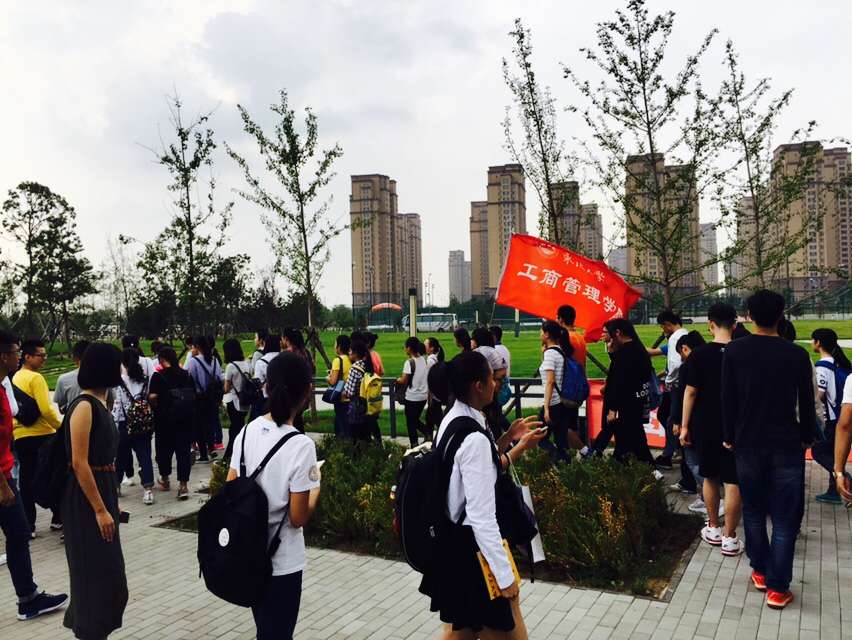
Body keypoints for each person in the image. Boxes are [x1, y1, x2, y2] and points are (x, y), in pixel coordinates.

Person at [419, 350, 546, 639]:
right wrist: (504, 576)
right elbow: (481, 516)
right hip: (474, 553)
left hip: (455, 546)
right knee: (504, 628)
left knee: (461, 631)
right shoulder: (473, 436)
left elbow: (477, 469)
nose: (497, 385)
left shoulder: (454, 418)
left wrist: (509, 439)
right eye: (493, 379)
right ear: (478, 385)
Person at [721, 290, 816, 610]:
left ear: (748, 315)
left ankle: (761, 570)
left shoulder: (734, 351)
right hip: (787, 443)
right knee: (785, 517)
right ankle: (777, 587)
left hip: (747, 442)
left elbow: (728, 398)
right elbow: (806, 401)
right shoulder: (796, 354)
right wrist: (807, 436)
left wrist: (729, 435)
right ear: (781, 314)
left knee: (753, 509)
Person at [227, 352, 321, 640]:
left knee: (266, 631)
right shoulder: (301, 445)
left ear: (266, 386)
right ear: (307, 392)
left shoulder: (247, 432)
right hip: (282, 563)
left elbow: (230, 489)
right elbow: (298, 517)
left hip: (248, 554)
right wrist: (315, 490)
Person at [0, 330, 68, 621]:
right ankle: (28, 599)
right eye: (16, 351)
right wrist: (3, 485)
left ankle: (28, 598)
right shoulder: (27, 379)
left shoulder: (6, 384)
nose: (19, 356)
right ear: (5, 355)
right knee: (18, 533)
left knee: (18, 533)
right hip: (3, 476)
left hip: (10, 464)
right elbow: (43, 410)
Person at [62, 342, 129, 638]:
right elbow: (79, 463)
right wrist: (100, 509)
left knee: (110, 576)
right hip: (85, 501)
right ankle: (89, 632)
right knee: (93, 575)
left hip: (102, 490)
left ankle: (97, 631)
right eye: (117, 364)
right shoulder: (84, 406)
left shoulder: (102, 402)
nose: (122, 369)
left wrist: (111, 502)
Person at [680, 304, 742, 556]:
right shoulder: (742, 351)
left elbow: (690, 392)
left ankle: (714, 526)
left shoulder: (699, 354)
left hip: (705, 423)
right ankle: (730, 537)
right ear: (735, 324)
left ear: (710, 324)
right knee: (733, 481)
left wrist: (684, 426)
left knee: (710, 476)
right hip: (735, 425)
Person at [12, 339, 62, 534]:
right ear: (27, 357)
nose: (44, 358)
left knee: (26, 480)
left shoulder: (15, 378)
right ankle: (58, 517)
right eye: (40, 355)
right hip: (43, 435)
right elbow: (46, 410)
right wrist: (61, 427)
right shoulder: (36, 378)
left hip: (20, 436)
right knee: (53, 476)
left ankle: (29, 524)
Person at [602, 319, 657, 469]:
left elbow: (619, 382)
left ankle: (651, 470)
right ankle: (630, 467)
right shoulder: (639, 349)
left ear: (618, 333)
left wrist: (613, 409)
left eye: (611, 335)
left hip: (627, 403)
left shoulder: (624, 353)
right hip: (640, 399)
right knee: (631, 439)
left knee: (634, 440)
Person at [669, 332, 709, 516]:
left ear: (685, 349)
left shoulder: (688, 366)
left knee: (692, 460)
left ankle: (709, 497)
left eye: (681, 353)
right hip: (711, 419)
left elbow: (684, 395)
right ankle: (706, 495)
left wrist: (679, 422)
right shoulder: (714, 359)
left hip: (692, 419)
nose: (681, 357)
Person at [810, 328, 851, 504]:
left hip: (830, 418)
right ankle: (833, 490)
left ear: (818, 343)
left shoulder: (822, 367)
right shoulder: (837, 364)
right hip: (839, 414)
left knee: (819, 451)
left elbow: (820, 394)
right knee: (832, 452)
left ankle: (843, 476)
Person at [537, 321, 587, 464]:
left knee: (540, 438)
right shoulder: (560, 351)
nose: (540, 334)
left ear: (547, 334)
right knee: (561, 440)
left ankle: (556, 458)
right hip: (562, 402)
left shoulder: (550, 354)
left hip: (552, 403)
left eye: (541, 331)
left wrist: (546, 408)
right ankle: (566, 466)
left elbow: (550, 381)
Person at [149, 347, 195, 500]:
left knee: (164, 451)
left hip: (164, 421)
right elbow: (193, 394)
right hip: (185, 419)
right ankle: (183, 486)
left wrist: (155, 402)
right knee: (183, 453)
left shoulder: (158, 376)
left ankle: (165, 479)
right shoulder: (186, 374)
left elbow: (152, 396)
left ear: (162, 360)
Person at [112, 348, 155, 506]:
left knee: (121, 455)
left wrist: (114, 425)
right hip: (143, 423)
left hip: (125, 424)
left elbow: (117, 407)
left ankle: (116, 486)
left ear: (122, 363)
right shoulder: (145, 380)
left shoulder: (119, 382)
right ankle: (148, 490)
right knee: (145, 455)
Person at [646, 310, 688, 469]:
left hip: (676, 386)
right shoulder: (683, 335)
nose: (662, 330)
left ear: (668, 324)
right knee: (664, 415)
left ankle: (668, 456)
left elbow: (676, 365)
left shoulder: (675, 338)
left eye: (662, 326)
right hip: (678, 386)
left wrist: (669, 380)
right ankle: (676, 448)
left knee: (672, 419)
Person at [186, 336, 221, 463]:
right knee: (210, 423)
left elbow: (189, 377)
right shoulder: (215, 360)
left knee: (199, 426)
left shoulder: (193, 361)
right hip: (212, 397)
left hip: (199, 397)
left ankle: (203, 454)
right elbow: (218, 377)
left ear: (197, 347)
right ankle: (211, 448)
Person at [396, 337, 429, 448]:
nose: (405, 349)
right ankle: (427, 434)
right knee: (414, 420)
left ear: (409, 348)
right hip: (423, 397)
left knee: (411, 422)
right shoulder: (424, 360)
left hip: (412, 397)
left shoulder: (409, 362)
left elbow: (403, 380)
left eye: (405, 347)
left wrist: (398, 380)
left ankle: (415, 444)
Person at [222, 338, 251, 460]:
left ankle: (229, 456)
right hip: (245, 401)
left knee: (234, 430)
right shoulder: (246, 364)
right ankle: (237, 453)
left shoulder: (231, 366)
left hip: (234, 401)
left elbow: (226, 388)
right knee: (239, 427)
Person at [343, 339, 375, 443]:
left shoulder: (354, 368)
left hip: (356, 407)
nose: (349, 353)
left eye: (350, 351)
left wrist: (344, 392)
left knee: (355, 437)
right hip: (367, 405)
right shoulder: (367, 365)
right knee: (365, 435)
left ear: (355, 353)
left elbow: (350, 392)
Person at [54, 340, 91, 414]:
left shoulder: (63, 379)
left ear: (74, 358)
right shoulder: (105, 377)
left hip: (73, 419)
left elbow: (61, 409)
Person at [326, 335, 352, 439]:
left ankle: (343, 445)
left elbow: (333, 381)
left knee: (341, 426)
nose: (334, 346)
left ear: (339, 346)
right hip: (350, 397)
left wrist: (328, 378)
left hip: (340, 397)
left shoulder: (337, 360)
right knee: (349, 426)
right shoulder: (351, 359)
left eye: (335, 344)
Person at [253, 333, 282, 421]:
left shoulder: (260, 362)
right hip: (283, 397)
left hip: (267, 398)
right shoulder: (285, 358)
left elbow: (258, 382)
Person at [556, 305, 587, 369]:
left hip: (569, 374)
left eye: (557, 318)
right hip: (580, 373)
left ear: (561, 319)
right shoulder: (580, 337)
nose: (556, 320)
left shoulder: (564, 337)